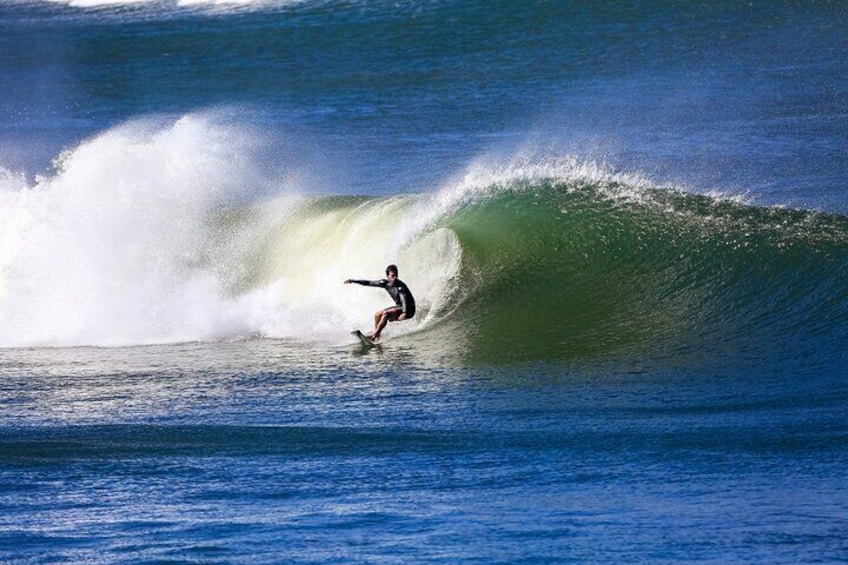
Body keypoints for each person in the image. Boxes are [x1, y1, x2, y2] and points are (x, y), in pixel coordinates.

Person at [344, 264, 415, 341]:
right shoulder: (385, 283)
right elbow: (369, 283)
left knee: (386, 314)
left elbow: (405, 303)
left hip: (408, 310)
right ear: (387, 276)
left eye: (396, 275)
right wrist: (353, 281)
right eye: (393, 275)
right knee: (377, 315)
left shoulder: (401, 287)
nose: (395, 278)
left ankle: (374, 335)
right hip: (399, 307)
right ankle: (377, 335)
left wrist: (403, 315)